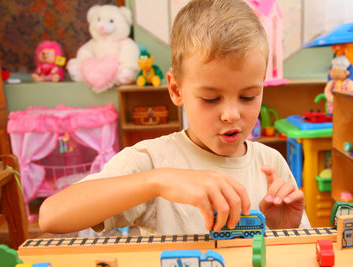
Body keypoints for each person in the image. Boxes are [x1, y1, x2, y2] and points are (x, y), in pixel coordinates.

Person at [39, 0, 310, 236]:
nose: (231, 114)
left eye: (249, 96)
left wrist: (282, 232)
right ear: (176, 89)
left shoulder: (270, 163)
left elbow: (292, 261)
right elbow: (52, 215)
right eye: (211, 99)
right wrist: (159, 182)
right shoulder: (153, 160)